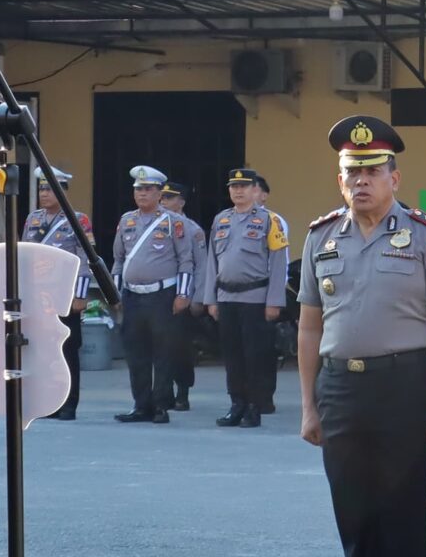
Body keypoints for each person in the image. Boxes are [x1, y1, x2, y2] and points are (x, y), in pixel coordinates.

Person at [297, 117, 426, 557]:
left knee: (400, 514)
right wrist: (309, 404)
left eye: (372, 171)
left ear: (395, 175)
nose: (361, 181)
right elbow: (308, 329)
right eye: (351, 173)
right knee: (355, 515)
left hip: (403, 386)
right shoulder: (321, 237)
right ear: (339, 179)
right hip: (342, 386)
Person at [110, 168, 194, 423]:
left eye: (148, 189)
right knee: (136, 354)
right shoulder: (126, 220)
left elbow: (186, 261)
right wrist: (115, 294)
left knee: (163, 352)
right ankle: (141, 405)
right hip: (133, 297)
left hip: (162, 295)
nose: (142, 194)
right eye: (138, 189)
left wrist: (183, 294)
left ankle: (160, 406)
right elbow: (118, 260)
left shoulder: (173, 222)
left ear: (159, 193)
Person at [208, 168, 291, 427]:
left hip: (256, 297)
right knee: (232, 356)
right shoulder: (221, 220)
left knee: (255, 356)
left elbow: (279, 263)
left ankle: (254, 407)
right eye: (234, 186)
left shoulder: (269, 220)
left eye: (244, 186)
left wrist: (275, 301)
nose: (238, 191)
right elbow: (212, 261)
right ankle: (237, 404)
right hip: (226, 296)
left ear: (255, 190)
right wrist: (210, 298)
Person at [25, 170, 91, 421]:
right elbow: (24, 255)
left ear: (63, 191)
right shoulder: (33, 219)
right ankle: (48, 403)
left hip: (64, 295)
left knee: (67, 350)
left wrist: (80, 295)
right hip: (38, 296)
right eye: (41, 189)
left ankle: (68, 403)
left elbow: (85, 260)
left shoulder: (78, 220)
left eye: (50, 189)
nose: (44, 194)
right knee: (42, 352)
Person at [158, 183, 208, 411]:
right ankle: (162, 391)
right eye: (163, 197)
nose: (164, 201)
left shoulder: (192, 229)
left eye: (169, 198)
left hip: (182, 296)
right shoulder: (153, 224)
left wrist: (198, 297)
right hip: (158, 295)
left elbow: (202, 266)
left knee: (180, 348)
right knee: (159, 347)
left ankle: (183, 392)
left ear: (182, 202)